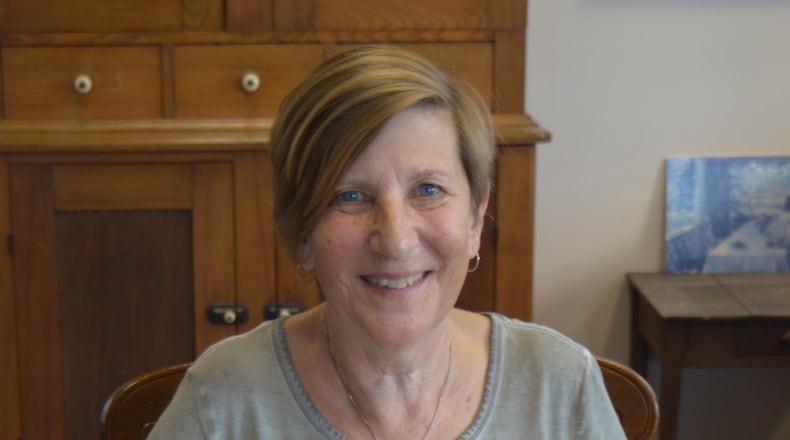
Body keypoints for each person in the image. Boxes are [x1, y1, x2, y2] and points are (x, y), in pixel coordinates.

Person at [149, 45, 626, 439]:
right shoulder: (222, 403)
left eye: (428, 190)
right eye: (350, 196)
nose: (395, 240)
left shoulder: (561, 389)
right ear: (301, 236)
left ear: (476, 219)